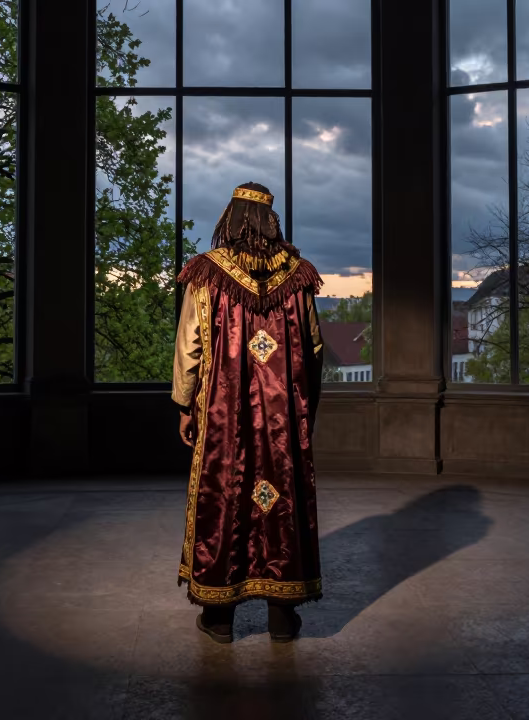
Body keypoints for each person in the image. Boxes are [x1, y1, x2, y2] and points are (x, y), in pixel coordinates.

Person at [171, 182, 324, 643]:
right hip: (281, 419)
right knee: (280, 501)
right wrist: (303, 409)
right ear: (270, 221)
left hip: (224, 415)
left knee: (225, 497)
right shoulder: (297, 275)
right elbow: (314, 348)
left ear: (231, 217)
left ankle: (219, 619)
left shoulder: (206, 273)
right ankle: (282, 617)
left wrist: (184, 404)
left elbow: (190, 345)